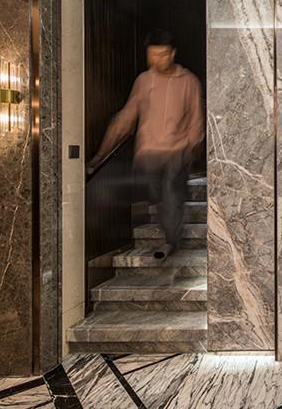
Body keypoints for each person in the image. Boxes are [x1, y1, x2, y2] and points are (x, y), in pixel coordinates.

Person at [87, 29, 204, 260]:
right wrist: (100, 156)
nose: (157, 60)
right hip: (148, 153)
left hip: (177, 150)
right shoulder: (144, 81)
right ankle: (168, 227)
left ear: (172, 54)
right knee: (156, 194)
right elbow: (127, 116)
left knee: (171, 192)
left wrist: (191, 147)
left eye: (162, 54)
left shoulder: (188, 81)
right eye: (152, 55)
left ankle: (170, 242)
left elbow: (196, 119)